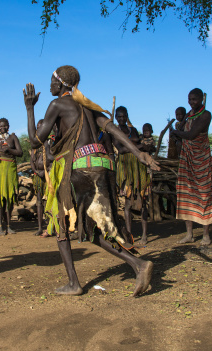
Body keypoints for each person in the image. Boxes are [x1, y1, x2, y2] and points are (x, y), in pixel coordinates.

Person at [24, 65, 159, 297]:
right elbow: (113, 130)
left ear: (61, 84)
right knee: (92, 226)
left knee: (61, 222)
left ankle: (74, 283)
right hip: (101, 164)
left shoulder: (57, 104)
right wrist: (139, 153)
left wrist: (29, 109)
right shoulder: (88, 105)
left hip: (75, 167)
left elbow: (36, 141)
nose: (49, 86)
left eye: (51, 81)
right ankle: (138, 264)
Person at [171, 88, 212, 245]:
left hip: (201, 160)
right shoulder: (190, 113)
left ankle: (206, 235)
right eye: (189, 99)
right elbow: (181, 127)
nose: (191, 102)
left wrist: (176, 133)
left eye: (194, 99)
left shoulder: (206, 115)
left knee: (204, 195)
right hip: (187, 158)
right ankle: (189, 234)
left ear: (201, 100)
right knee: (186, 194)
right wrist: (183, 120)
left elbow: (191, 135)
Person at [113, 107, 152, 246]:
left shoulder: (133, 130)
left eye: (123, 116)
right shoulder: (115, 131)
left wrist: (142, 147)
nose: (121, 119)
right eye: (119, 117)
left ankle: (145, 236)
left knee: (142, 201)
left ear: (127, 116)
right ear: (116, 117)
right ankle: (129, 236)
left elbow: (138, 146)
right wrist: (140, 146)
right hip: (126, 168)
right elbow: (122, 150)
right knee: (128, 203)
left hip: (139, 167)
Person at [0, 118, 23, 236]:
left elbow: (20, 152)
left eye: (4, 126)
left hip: (10, 169)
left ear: (8, 126)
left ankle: (8, 225)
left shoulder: (13, 138)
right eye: (0, 126)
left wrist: (9, 149)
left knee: (9, 198)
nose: (2, 128)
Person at [30, 119, 53, 237]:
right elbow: (32, 161)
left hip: (49, 176)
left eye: (41, 127)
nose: (39, 130)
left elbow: (54, 158)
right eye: (38, 128)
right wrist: (36, 171)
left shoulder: (51, 141)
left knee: (49, 201)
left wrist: (47, 171)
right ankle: (39, 227)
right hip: (38, 176)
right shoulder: (35, 145)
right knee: (39, 202)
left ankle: (50, 227)